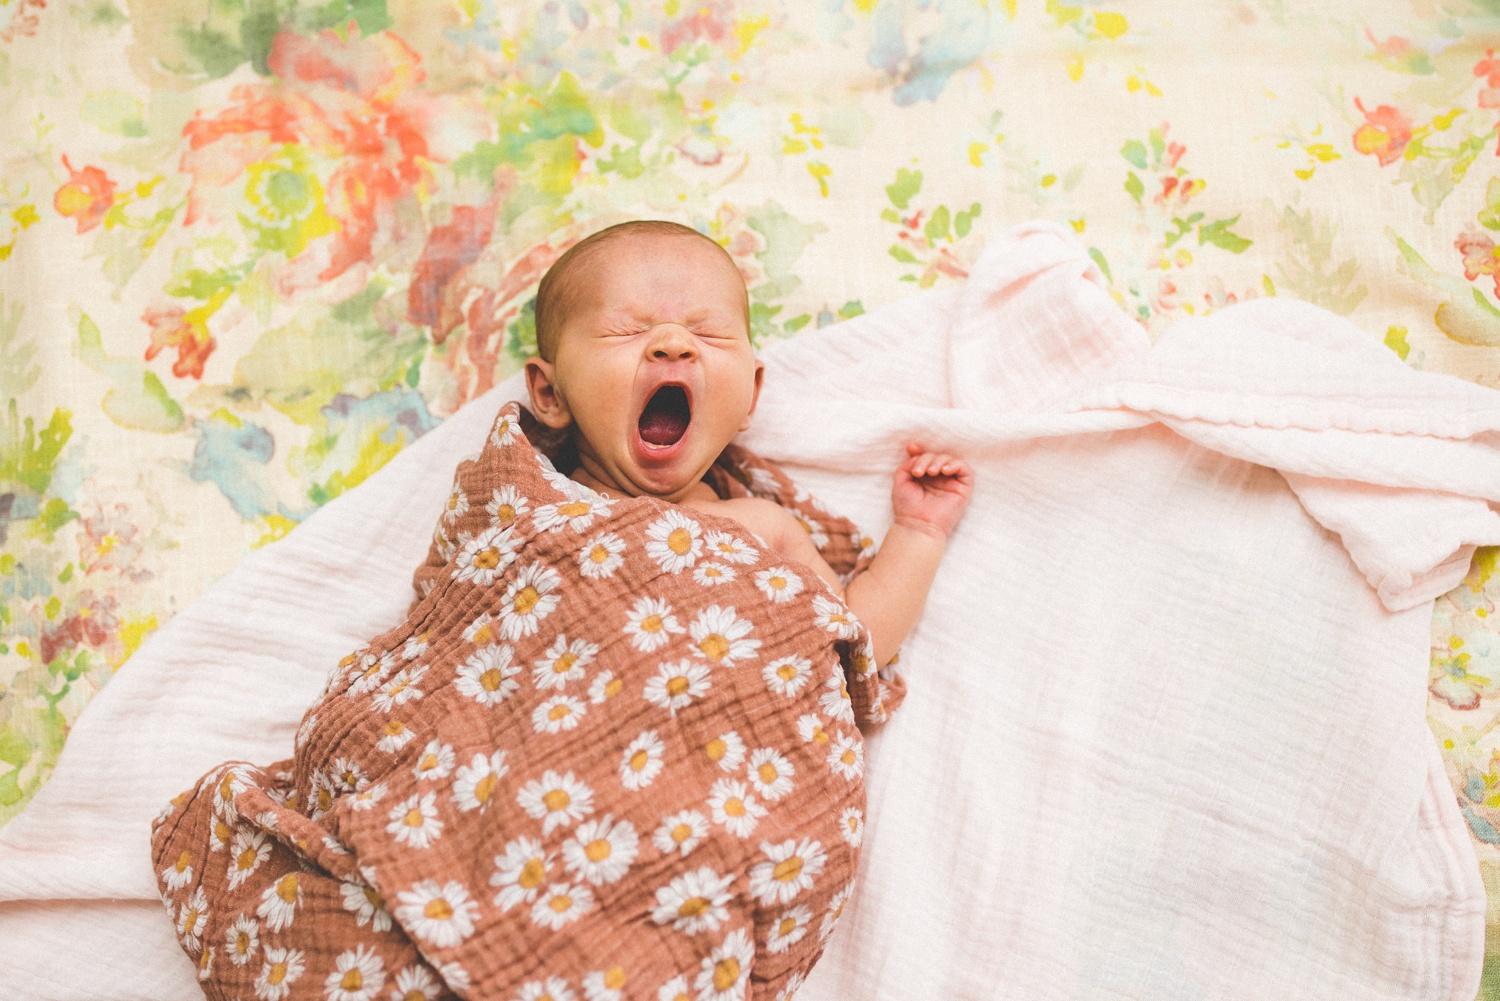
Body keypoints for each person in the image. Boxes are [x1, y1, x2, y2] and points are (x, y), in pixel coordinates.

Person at [523, 219, 973, 669]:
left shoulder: (763, 528)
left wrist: (919, 532)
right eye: (626, 330)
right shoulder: (528, 514)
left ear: (750, 396)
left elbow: (857, 644)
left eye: (709, 333)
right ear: (549, 393)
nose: (674, 343)